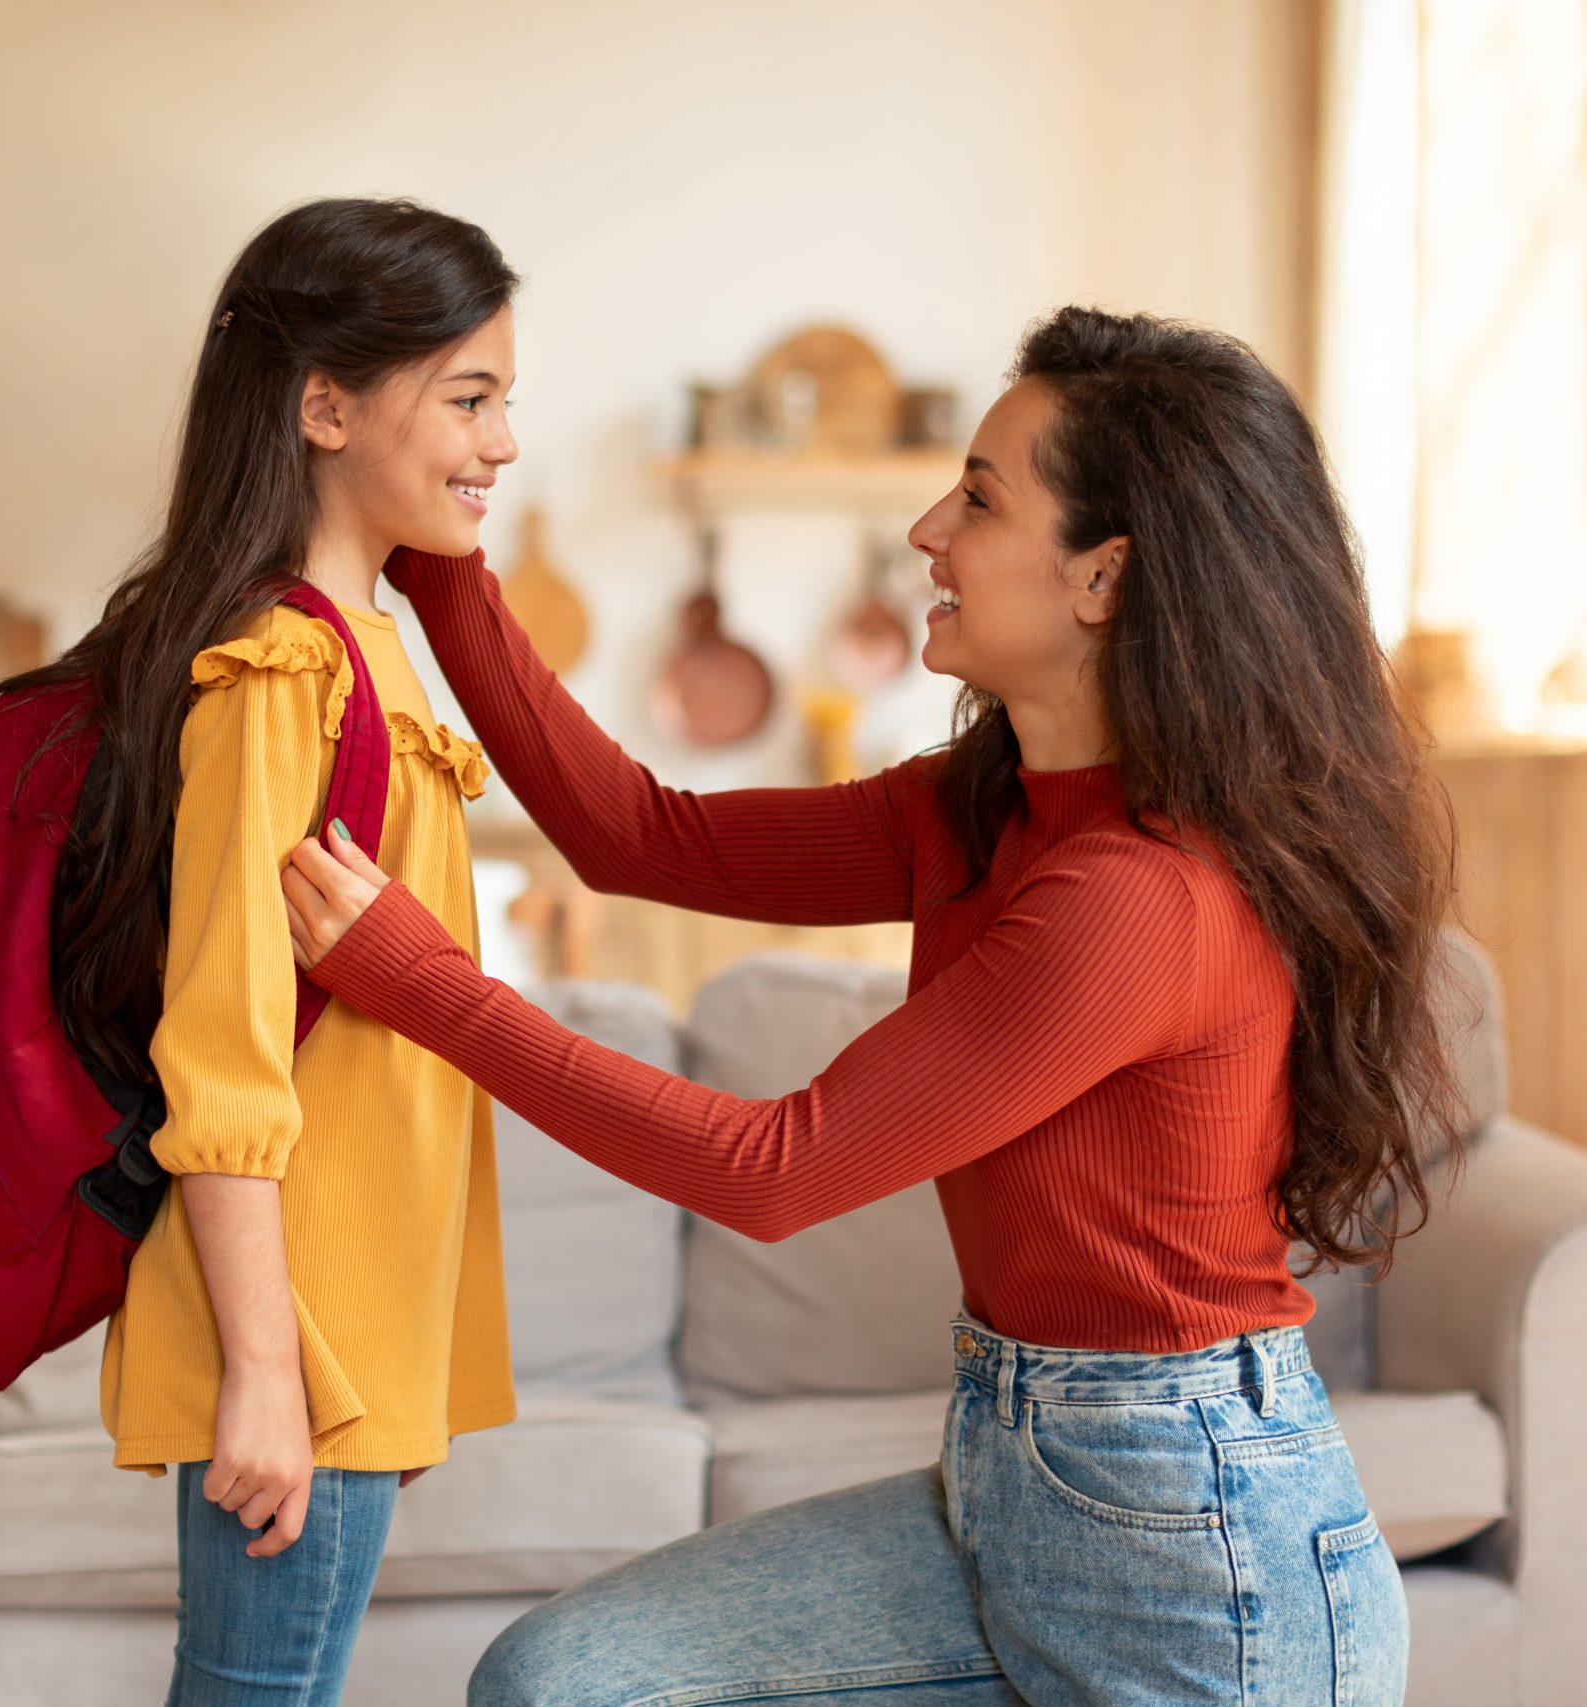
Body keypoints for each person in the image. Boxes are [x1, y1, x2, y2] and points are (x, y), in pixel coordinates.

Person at [280, 307, 1463, 1706]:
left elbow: (770, 1170)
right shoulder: (980, 812)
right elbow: (638, 836)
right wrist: (439, 549)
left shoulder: (1142, 900)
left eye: (977, 498)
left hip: (1200, 1566)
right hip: (1011, 1480)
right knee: (558, 1685)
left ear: (1102, 578)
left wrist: (417, 981)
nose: (927, 531)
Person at [0, 196, 523, 1705]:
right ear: (326, 404)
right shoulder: (282, 674)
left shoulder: (367, 647)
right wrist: (272, 1376)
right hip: (306, 1329)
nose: (502, 442)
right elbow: (218, 1050)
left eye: (502, 399)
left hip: (355, 1318)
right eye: (469, 398)